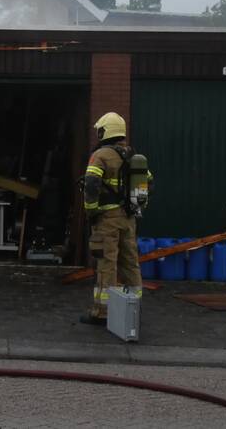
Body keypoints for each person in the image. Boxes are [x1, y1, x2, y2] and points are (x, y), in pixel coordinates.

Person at [80, 112, 145, 325]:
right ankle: (133, 309)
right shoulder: (132, 156)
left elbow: (91, 183)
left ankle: (103, 312)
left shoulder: (101, 155)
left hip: (107, 219)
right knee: (130, 264)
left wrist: (90, 210)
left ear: (105, 131)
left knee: (107, 264)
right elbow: (147, 182)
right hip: (129, 219)